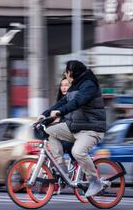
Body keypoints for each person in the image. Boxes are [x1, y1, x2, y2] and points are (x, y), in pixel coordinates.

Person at [38, 60, 106, 197]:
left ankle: (94, 181)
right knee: (49, 131)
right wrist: (45, 114)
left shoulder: (89, 85)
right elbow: (62, 102)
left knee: (78, 152)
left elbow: (77, 102)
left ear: (72, 72)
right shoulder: (75, 86)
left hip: (91, 129)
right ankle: (61, 168)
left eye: (66, 71)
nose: (65, 73)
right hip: (75, 128)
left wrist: (60, 112)